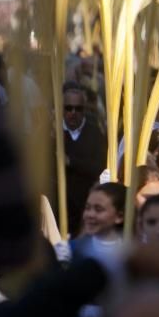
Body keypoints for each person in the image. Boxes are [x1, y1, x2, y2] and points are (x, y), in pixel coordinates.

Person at [62, 82, 107, 237]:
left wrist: (71, 162)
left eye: (78, 109)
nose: (73, 113)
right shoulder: (52, 134)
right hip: (59, 209)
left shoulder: (95, 133)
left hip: (86, 208)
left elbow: (99, 167)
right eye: (68, 108)